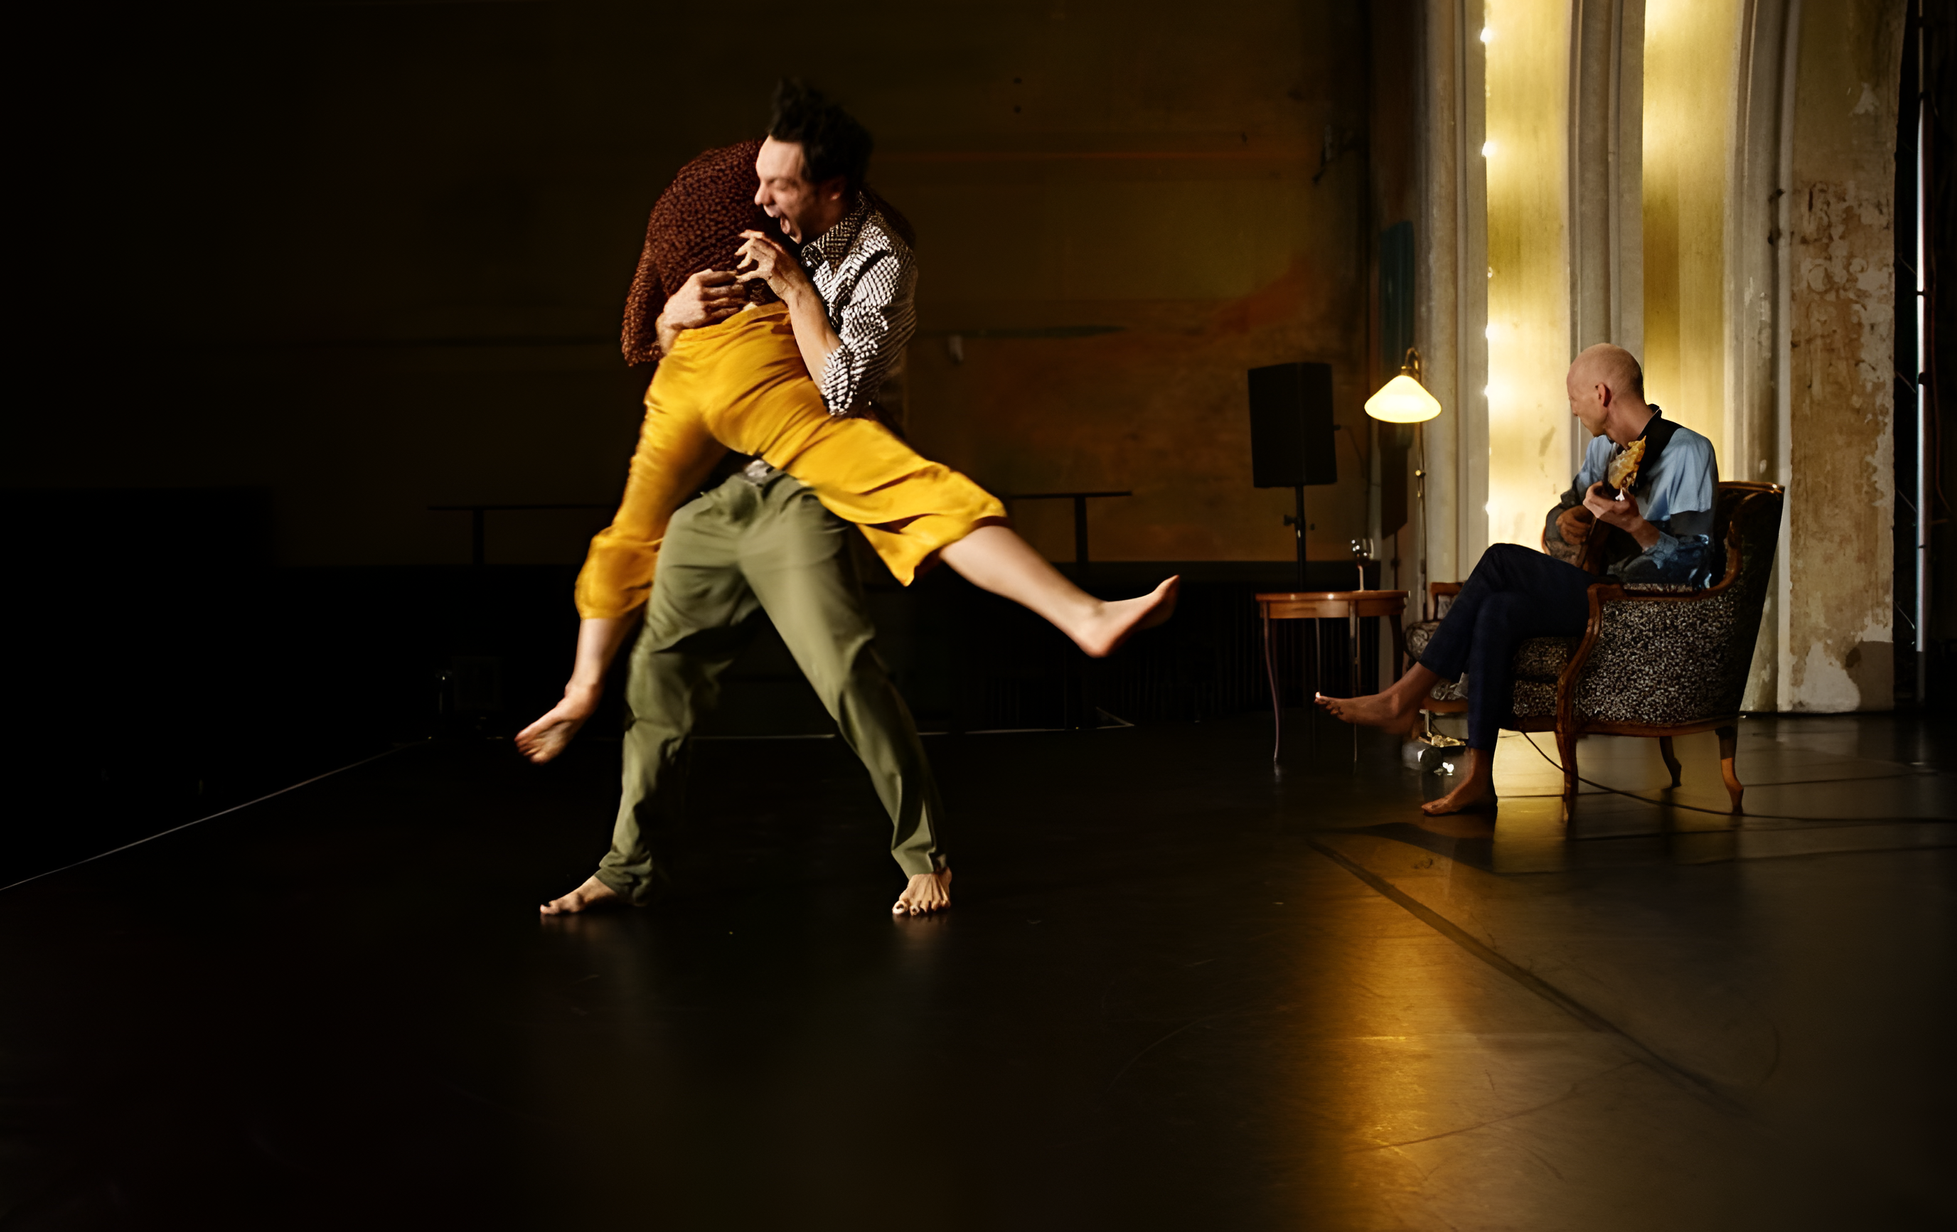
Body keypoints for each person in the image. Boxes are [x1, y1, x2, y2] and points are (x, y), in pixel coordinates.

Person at [518, 81, 1177, 913]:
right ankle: (626, 865)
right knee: (658, 672)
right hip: (725, 491)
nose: (756, 202)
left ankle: (924, 850)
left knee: (843, 667)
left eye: (778, 188)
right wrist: (669, 320)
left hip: (811, 479)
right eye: (756, 182)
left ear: (831, 190)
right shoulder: (752, 218)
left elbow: (846, 395)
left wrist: (795, 290)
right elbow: (679, 354)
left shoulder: (878, 258)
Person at [1316, 344, 1718, 816]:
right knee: (1497, 608)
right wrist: (1565, 522)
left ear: (1601, 393)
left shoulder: (1689, 451)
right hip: (1595, 591)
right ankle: (1478, 778)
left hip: (1643, 605)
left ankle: (1405, 696)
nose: (1570, 408)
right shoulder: (1601, 452)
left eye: (1573, 397)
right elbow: (1559, 519)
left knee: (1501, 560)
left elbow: (1699, 566)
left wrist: (1637, 527)